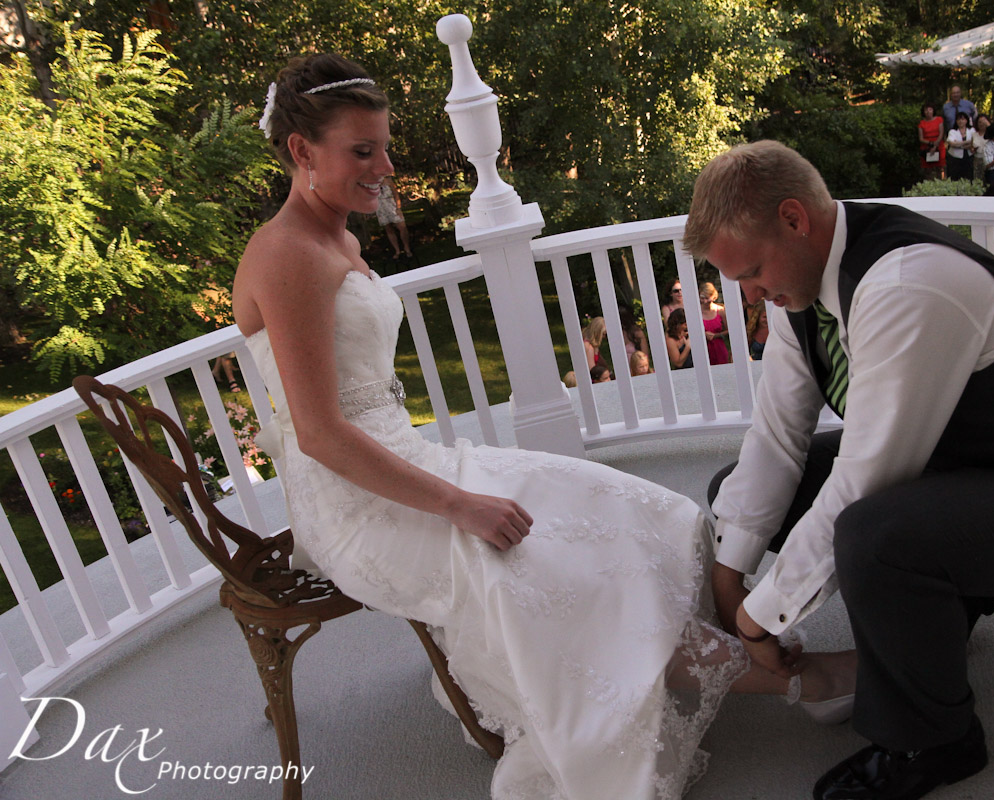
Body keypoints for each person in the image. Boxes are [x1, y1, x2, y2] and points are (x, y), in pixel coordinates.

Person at [235, 55, 828, 800]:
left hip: (410, 460)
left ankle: (718, 651)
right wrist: (461, 504)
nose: (386, 166)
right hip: (355, 504)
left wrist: (457, 487)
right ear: (300, 152)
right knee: (542, 562)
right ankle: (774, 678)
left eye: (383, 146)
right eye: (363, 151)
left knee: (611, 504)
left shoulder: (340, 239)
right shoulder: (285, 254)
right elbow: (320, 434)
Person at [683, 141, 994, 800]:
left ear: (795, 219)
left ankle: (936, 741)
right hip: (961, 472)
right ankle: (944, 612)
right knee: (739, 494)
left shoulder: (908, 283)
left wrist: (759, 619)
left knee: (872, 534)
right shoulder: (800, 293)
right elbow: (776, 439)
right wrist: (728, 576)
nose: (752, 295)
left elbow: (867, 478)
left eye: (749, 272)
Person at [376, 174, 413, 259]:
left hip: (392, 206)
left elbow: (396, 194)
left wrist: (398, 207)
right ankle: (397, 250)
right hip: (381, 208)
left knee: (402, 227)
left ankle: (407, 248)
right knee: (389, 229)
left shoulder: (389, 181)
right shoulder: (372, 183)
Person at [699, 281, 731, 365]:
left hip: (719, 348)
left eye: (708, 298)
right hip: (702, 349)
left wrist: (717, 335)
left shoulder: (720, 310)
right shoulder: (696, 311)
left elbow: (730, 330)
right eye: (702, 297)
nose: (705, 301)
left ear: (714, 297)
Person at [917, 103, 945, 179]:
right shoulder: (921, 123)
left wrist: (935, 145)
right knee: (928, 170)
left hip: (939, 145)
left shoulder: (939, 120)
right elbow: (921, 138)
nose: (928, 112)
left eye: (930, 109)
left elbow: (941, 133)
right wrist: (931, 144)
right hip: (927, 147)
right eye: (926, 110)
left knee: (939, 169)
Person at [945, 112, 975, 181]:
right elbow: (951, 143)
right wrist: (967, 142)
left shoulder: (971, 130)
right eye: (958, 119)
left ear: (966, 120)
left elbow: (974, 143)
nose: (961, 121)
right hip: (954, 159)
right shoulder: (952, 131)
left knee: (968, 178)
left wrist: (958, 144)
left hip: (968, 157)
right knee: (954, 178)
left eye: (963, 119)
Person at [971, 114, 991, 183]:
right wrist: (973, 150)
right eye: (979, 122)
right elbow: (971, 147)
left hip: (988, 159)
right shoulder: (974, 134)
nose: (981, 124)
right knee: (978, 180)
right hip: (977, 160)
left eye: (983, 122)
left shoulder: (990, 134)